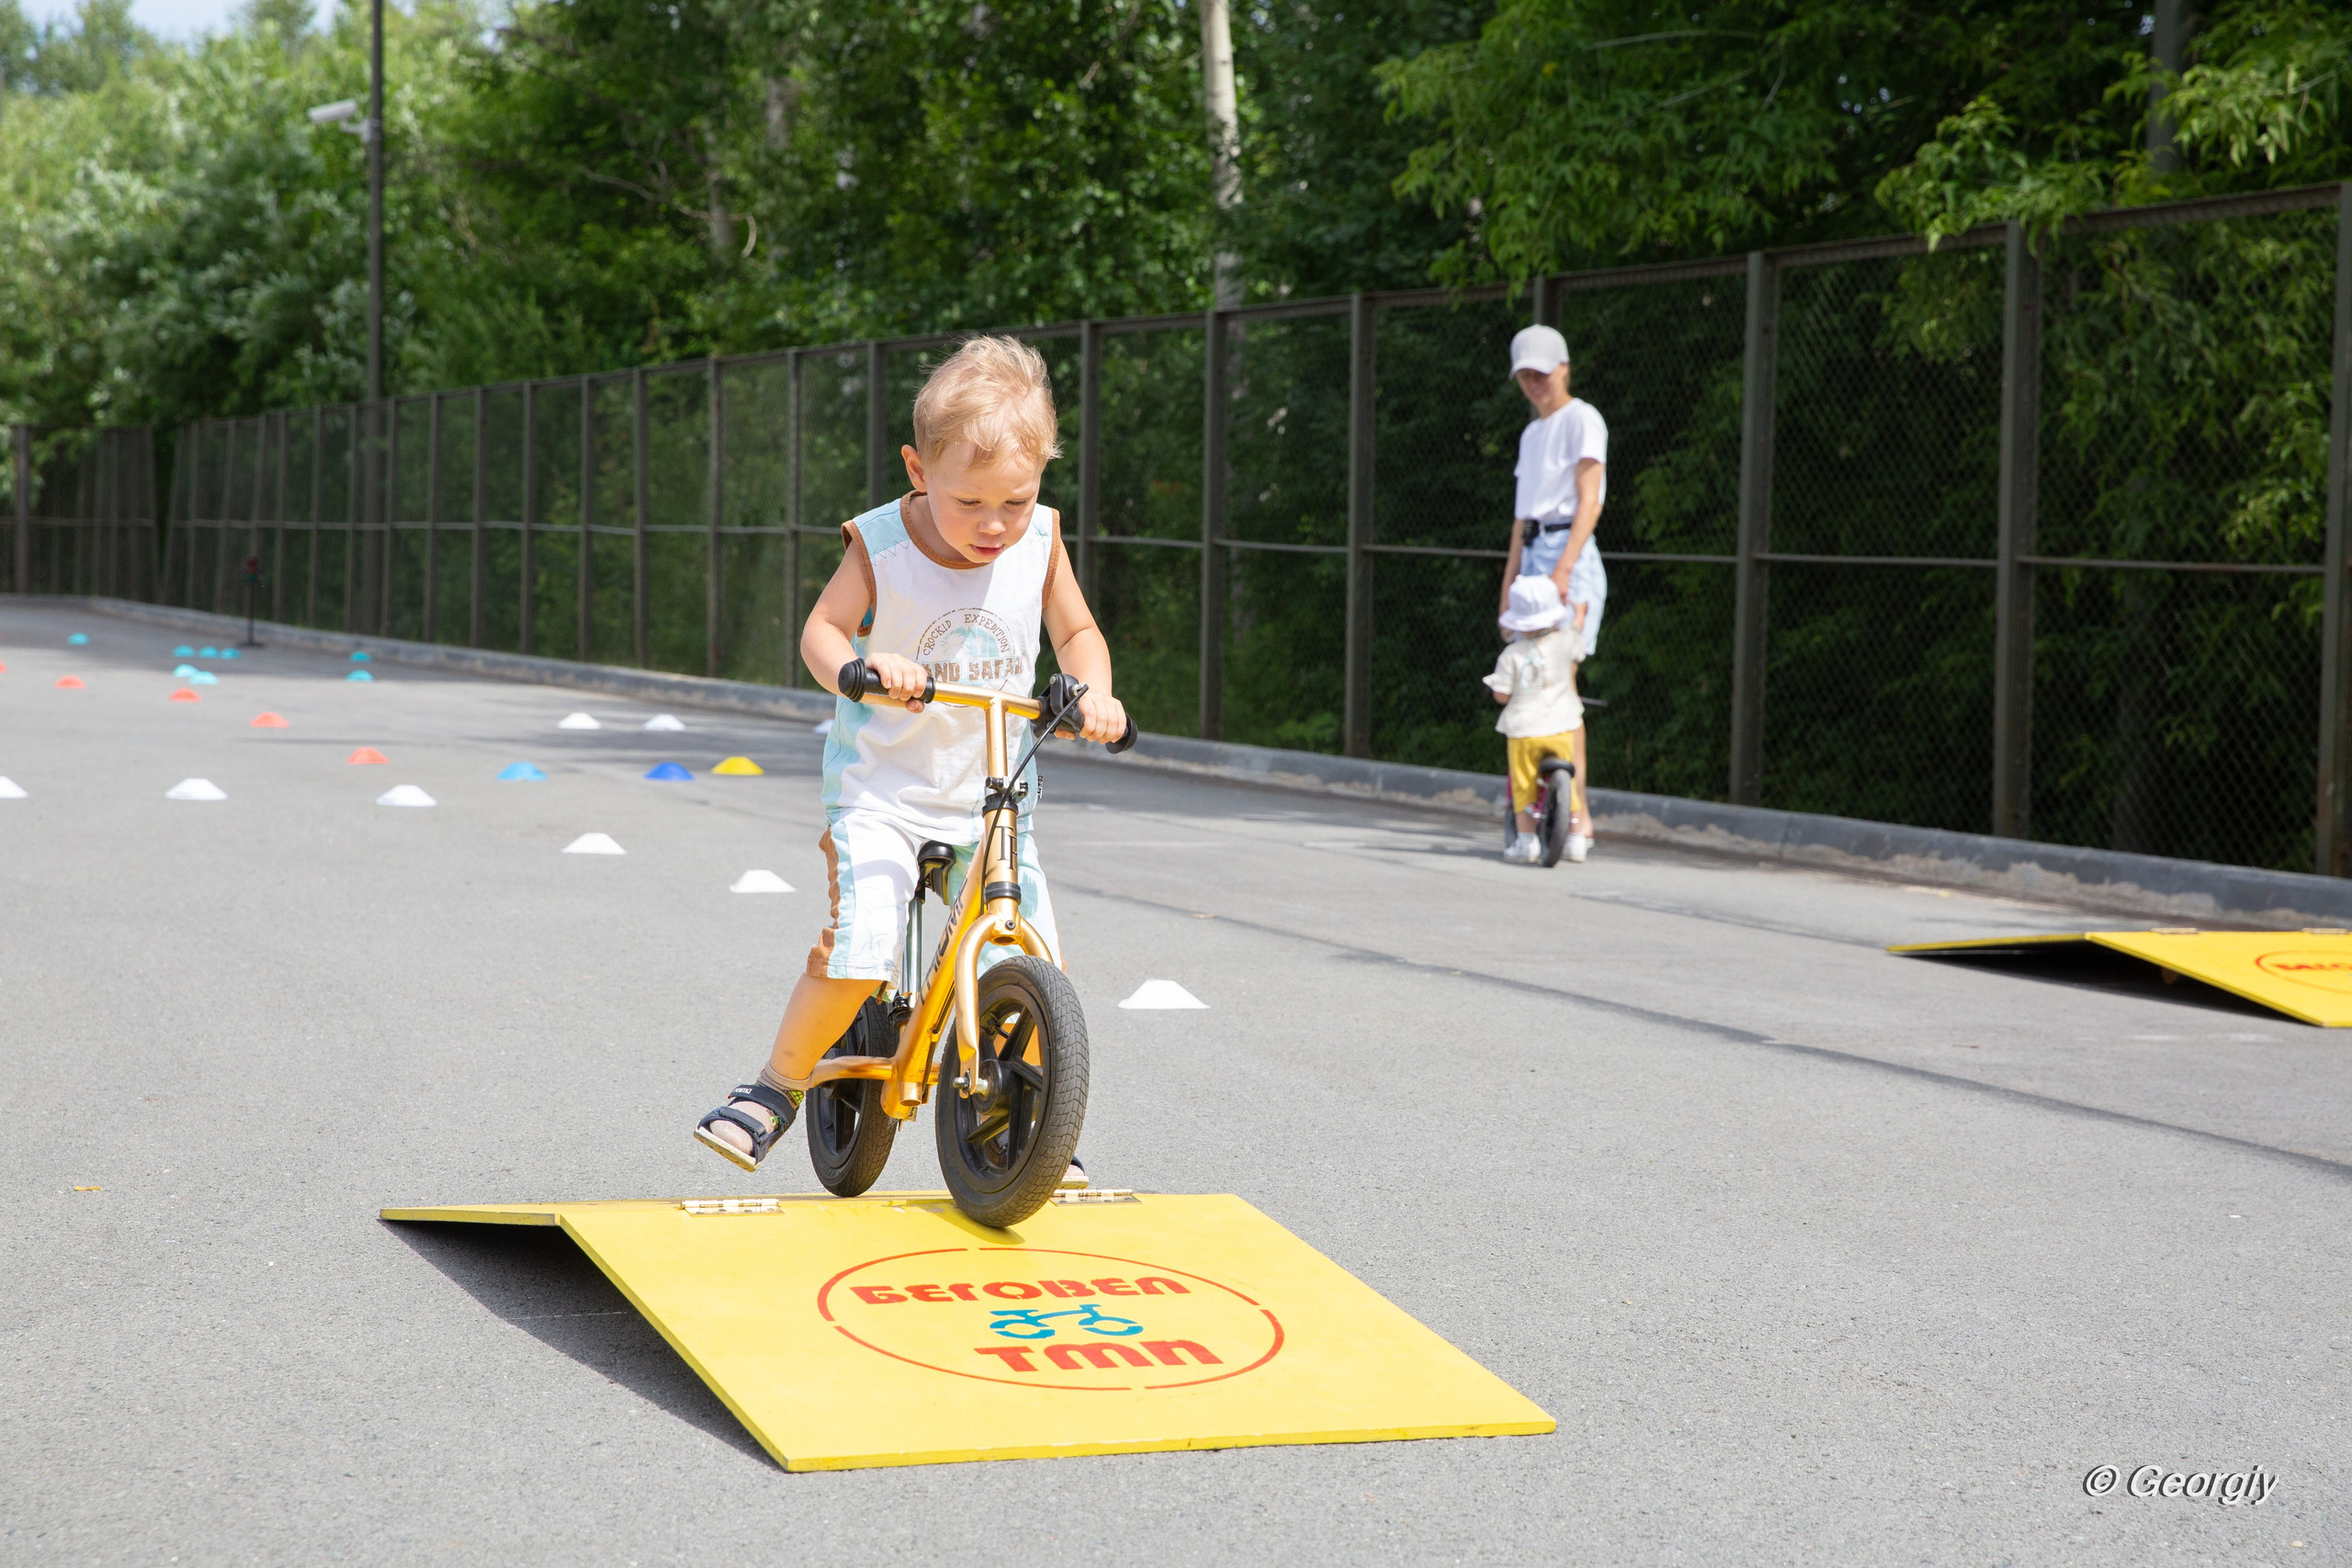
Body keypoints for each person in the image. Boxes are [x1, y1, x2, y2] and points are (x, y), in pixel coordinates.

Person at [694, 336, 1127, 1174]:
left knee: (1028, 955)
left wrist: (1092, 689)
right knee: (863, 943)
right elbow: (821, 631)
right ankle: (774, 1089)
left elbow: (1076, 632)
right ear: (919, 469)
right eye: (971, 501)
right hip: (884, 791)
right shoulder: (884, 544)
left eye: (1017, 497)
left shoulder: (1038, 540)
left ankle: (1032, 1133)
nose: (996, 523)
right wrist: (862, 669)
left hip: (994, 793)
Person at [1499, 323, 1605, 862]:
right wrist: (1507, 593)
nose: (1536, 383)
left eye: (1544, 372)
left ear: (1564, 367)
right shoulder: (1532, 434)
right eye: (1527, 375)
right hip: (1535, 558)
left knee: (1561, 684)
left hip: (1569, 555)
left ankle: (1577, 818)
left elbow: (1589, 502)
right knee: (1526, 683)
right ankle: (1533, 807)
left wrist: (1564, 570)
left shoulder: (1581, 419)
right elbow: (1522, 521)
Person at [1486, 576, 1586, 864]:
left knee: (1523, 784)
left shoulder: (1511, 654)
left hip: (1524, 730)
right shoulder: (1565, 640)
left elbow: (1502, 695)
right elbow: (1577, 636)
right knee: (1571, 778)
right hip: (1562, 725)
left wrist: (1497, 690)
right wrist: (1579, 613)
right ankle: (1576, 839)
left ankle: (1526, 841)